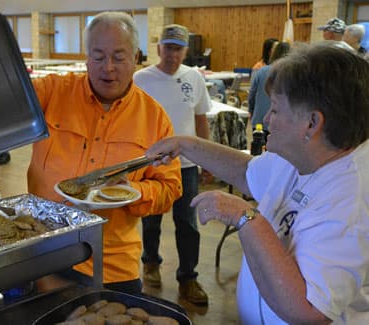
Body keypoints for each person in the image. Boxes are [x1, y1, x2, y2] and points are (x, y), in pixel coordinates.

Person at [146, 42, 369, 324]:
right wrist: (186, 144)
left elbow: (309, 312)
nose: (266, 119)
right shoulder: (307, 153)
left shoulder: (350, 199)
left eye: (275, 109)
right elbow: (247, 172)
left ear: (312, 124)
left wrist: (246, 218)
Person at [28, 11, 182, 294]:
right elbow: (5, 105)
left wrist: (133, 191)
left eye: (119, 57)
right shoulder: (52, 92)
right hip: (43, 254)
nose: (107, 68)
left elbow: (169, 188)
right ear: (86, 57)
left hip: (113, 264)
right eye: (98, 57)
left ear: (136, 58)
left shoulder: (154, 119)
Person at [133, 24, 210, 304]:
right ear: (158, 48)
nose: (173, 54)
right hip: (151, 162)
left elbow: (201, 118)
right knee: (150, 217)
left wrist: (208, 159)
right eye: (168, 48)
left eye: (178, 49)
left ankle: (188, 278)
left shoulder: (194, 77)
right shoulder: (141, 79)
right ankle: (150, 263)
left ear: (186, 51)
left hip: (187, 164)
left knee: (188, 223)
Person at [248, 41, 291, 140]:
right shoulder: (292, 75)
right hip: (281, 122)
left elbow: (252, 94)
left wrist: (251, 111)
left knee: (257, 149)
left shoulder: (261, 71)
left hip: (259, 119)